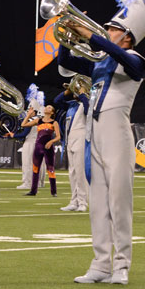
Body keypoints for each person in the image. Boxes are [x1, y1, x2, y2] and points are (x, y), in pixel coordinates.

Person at [60, 0, 145, 285]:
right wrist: (64, 37)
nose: (108, 31)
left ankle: (121, 265)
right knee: (97, 203)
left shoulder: (136, 60)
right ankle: (100, 263)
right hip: (94, 132)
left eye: (114, 29)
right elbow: (67, 63)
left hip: (117, 134)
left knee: (120, 202)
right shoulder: (101, 63)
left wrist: (91, 34)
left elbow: (118, 57)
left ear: (129, 37)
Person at [54, 80, 90, 212]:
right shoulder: (72, 105)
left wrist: (83, 94)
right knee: (72, 172)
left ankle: (83, 202)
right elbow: (57, 101)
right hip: (70, 138)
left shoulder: (87, 102)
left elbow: (88, 111)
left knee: (80, 172)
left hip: (81, 136)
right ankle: (74, 201)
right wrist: (68, 91)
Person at [20, 104, 61, 197]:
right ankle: (33, 191)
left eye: (50, 107)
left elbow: (58, 137)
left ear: (52, 112)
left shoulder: (54, 123)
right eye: (46, 106)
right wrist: (28, 115)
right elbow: (23, 124)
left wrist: (51, 141)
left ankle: (53, 191)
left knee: (50, 169)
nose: (47, 108)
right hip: (38, 147)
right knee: (35, 168)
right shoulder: (38, 121)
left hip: (48, 148)